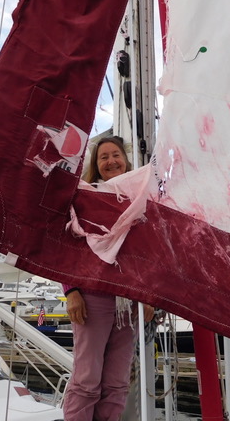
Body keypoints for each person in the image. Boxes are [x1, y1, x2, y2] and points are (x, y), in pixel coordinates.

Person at [62, 136, 154, 421]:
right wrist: (71, 291)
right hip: (92, 298)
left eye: (116, 155)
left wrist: (149, 297)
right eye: (104, 157)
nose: (111, 161)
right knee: (87, 379)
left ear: (125, 161)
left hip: (128, 303)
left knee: (117, 382)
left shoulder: (141, 199)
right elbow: (67, 248)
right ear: (96, 164)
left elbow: (151, 253)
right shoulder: (86, 197)